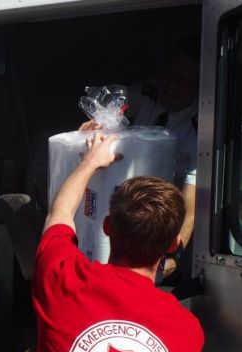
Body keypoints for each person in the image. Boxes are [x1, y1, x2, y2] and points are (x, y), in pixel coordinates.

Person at [10, 133, 204, 352]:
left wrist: (89, 162)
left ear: (107, 227)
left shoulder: (65, 283)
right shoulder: (187, 331)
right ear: (174, 243)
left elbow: (60, 215)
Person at [81, 38, 200, 278]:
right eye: (169, 74)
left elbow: (191, 205)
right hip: (120, 199)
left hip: (160, 214)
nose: (171, 84)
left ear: (199, 85)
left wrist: (174, 258)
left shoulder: (199, 128)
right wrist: (95, 129)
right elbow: (110, 119)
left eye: (183, 78)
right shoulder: (143, 92)